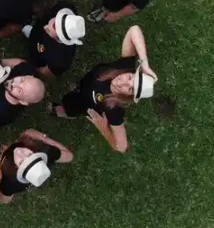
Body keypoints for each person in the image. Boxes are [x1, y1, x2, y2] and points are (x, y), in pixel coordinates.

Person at [49, 25, 158, 153]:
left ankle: (66, 112)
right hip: (86, 84)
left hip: (85, 103)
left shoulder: (113, 109)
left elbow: (122, 147)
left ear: (129, 96)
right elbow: (134, 29)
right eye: (130, 78)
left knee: (72, 105)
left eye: (129, 89)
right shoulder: (124, 66)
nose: (122, 82)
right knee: (79, 89)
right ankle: (77, 88)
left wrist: (104, 128)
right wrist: (144, 63)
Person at [0, 129, 72, 204]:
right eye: (29, 155)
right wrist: (42, 137)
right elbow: (69, 156)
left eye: (21, 162)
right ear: (37, 155)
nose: (20, 152)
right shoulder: (47, 152)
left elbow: (5, 199)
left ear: (15, 169)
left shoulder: (9, 182)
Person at [21, 2, 86, 78]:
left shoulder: (60, 60)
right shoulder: (62, 9)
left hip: (39, 55)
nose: (45, 27)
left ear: (60, 38)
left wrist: (33, 69)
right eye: (55, 22)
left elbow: (45, 71)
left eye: (49, 30)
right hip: (36, 37)